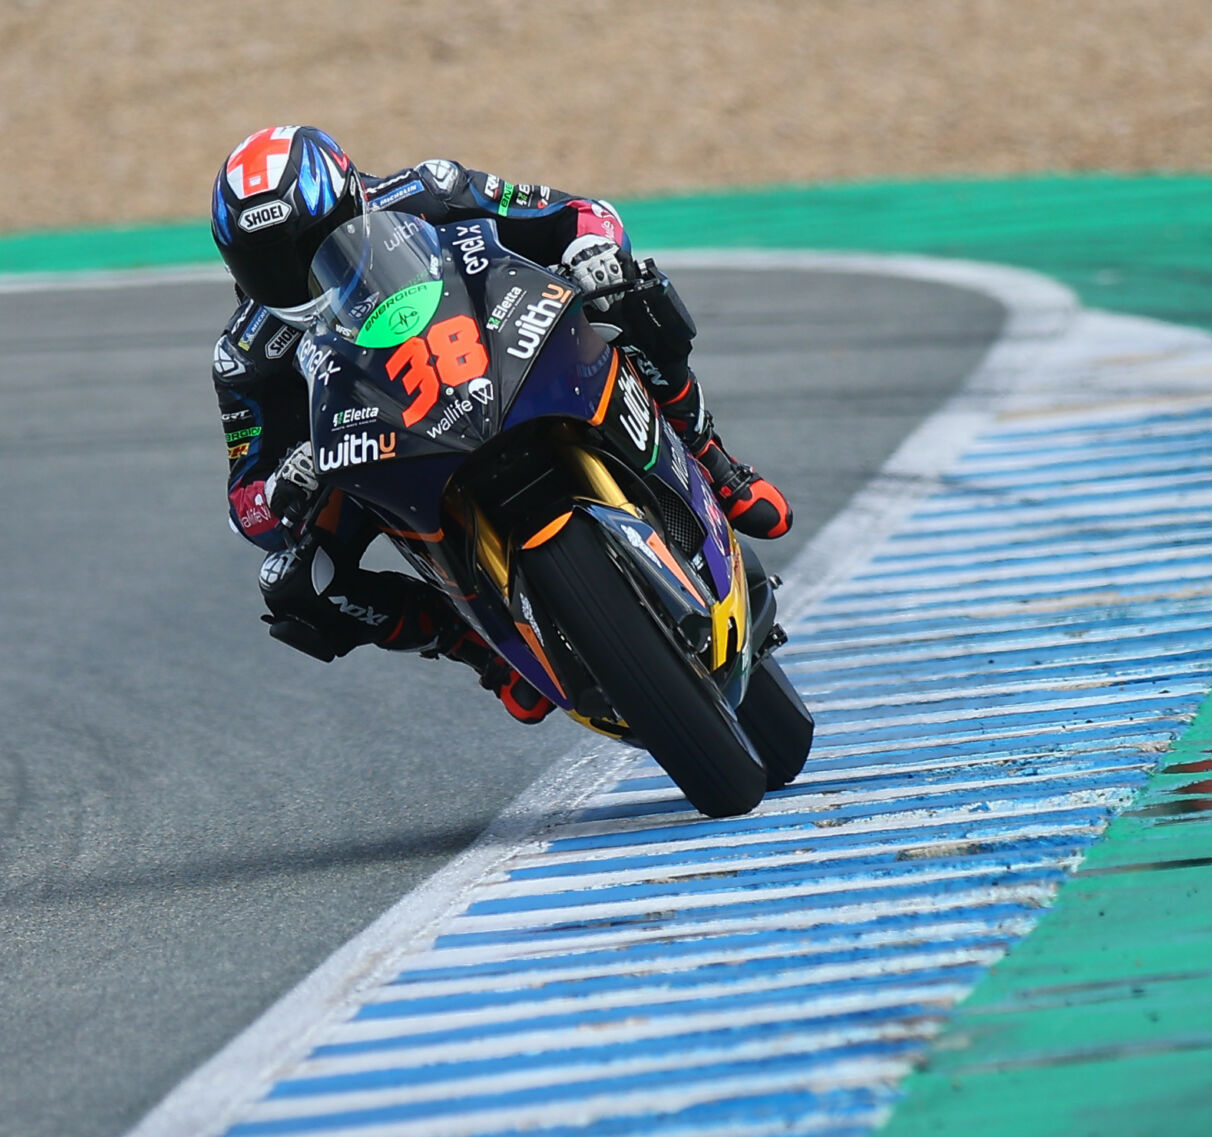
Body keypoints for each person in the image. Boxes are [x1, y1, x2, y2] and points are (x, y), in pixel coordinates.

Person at [209, 125, 791, 722]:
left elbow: (574, 212)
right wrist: (283, 484)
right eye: (267, 262)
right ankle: (482, 652)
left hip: (500, 361)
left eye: (308, 243)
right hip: (386, 448)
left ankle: (713, 460)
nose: (294, 269)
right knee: (295, 585)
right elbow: (245, 500)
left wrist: (590, 250)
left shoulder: (427, 190)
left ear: (351, 198)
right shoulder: (246, 356)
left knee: (628, 292)